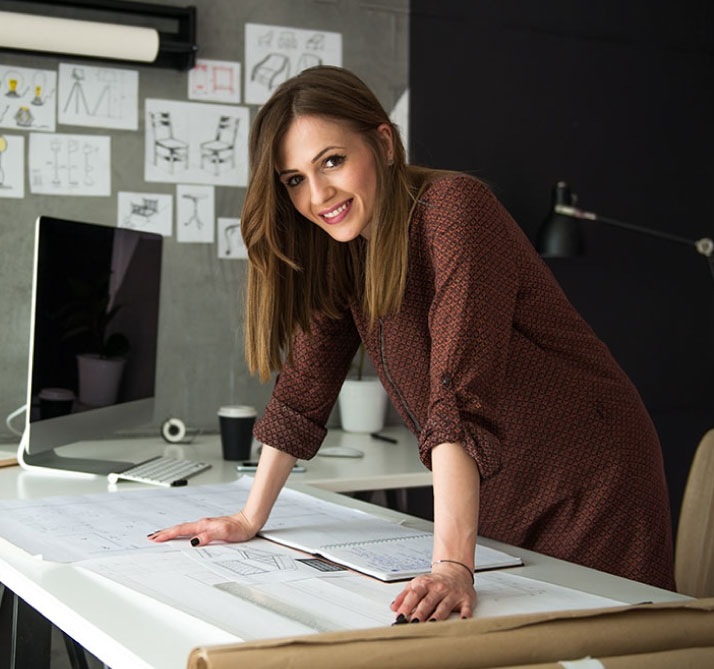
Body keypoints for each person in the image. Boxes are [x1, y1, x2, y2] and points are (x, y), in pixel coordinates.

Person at [149, 66, 676, 622]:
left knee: (599, 644)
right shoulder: (343, 251)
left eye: (332, 161)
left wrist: (452, 564)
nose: (319, 193)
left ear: (383, 141)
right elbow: (303, 392)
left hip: (588, 471)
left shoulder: (454, 210)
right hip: (496, 477)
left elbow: (456, 393)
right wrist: (249, 518)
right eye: (295, 179)